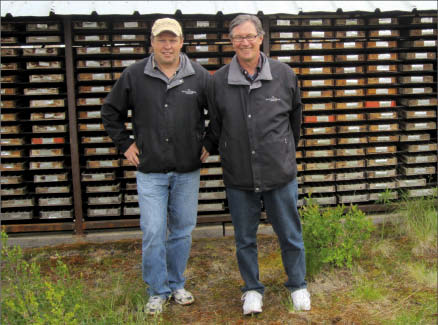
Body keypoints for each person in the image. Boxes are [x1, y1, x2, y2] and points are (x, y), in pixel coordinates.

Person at [203, 14, 311, 315]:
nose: (245, 42)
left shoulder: (284, 74)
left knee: (290, 233)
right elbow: (217, 124)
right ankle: (252, 289)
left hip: (279, 173)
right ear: (231, 41)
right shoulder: (219, 81)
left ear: (261, 38)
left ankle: (298, 284)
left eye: (250, 36)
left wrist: (283, 152)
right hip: (239, 175)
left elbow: (295, 122)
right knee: (245, 238)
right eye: (238, 37)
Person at [101, 17, 210, 315]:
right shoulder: (134, 75)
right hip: (150, 171)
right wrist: (125, 145)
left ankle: (176, 284)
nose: (167, 45)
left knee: (182, 231)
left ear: (181, 42)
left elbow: (221, 113)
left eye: (172, 39)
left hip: (187, 170)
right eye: (161, 39)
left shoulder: (199, 76)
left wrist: (208, 145)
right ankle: (156, 290)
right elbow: (110, 112)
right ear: (151, 42)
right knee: (152, 231)